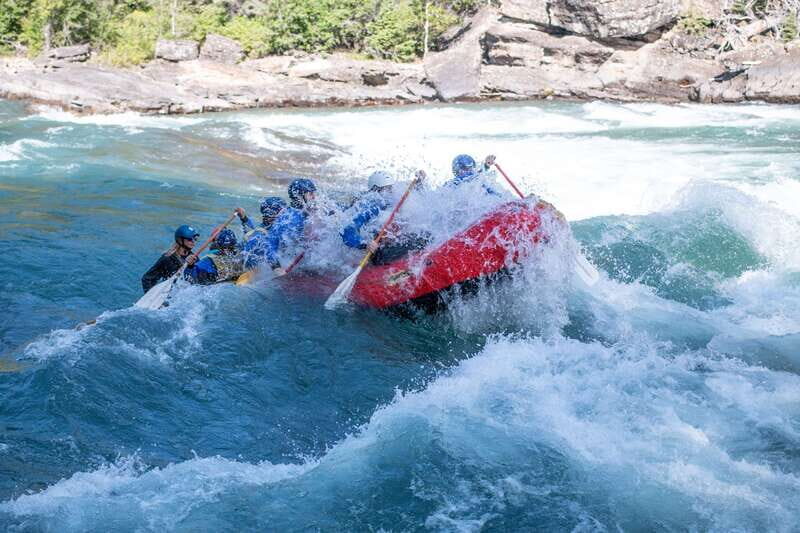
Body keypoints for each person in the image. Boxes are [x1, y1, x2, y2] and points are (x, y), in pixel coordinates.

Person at [263, 178, 317, 275]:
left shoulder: (313, 212)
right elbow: (269, 246)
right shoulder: (289, 219)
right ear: (299, 196)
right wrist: (277, 268)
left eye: (314, 193)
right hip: (288, 265)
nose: (314, 197)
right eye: (310, 193)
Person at [340, 170, 395, 253]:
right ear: (376, 190)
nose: (391, 192)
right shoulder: (369, 207)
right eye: (387, 189)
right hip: (365, 242)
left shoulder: (388, 201)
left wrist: (418, 184)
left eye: (391, 188)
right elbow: (347, 230)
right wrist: (365, 244)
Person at [141, 224, 199, 293]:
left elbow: (197, 279)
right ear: (180, 240)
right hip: (170, 295)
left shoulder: (194, 258)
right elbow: (147, 279)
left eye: (194, 239)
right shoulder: (167, 258)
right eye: (189, 239)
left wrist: (190, 266)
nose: (193, 242)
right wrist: (150, 295)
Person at [242, 196, 286, 266]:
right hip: (254, 265)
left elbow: (251, 231)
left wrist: (244, 218)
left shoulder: (264, 225)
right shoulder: (269, 230)